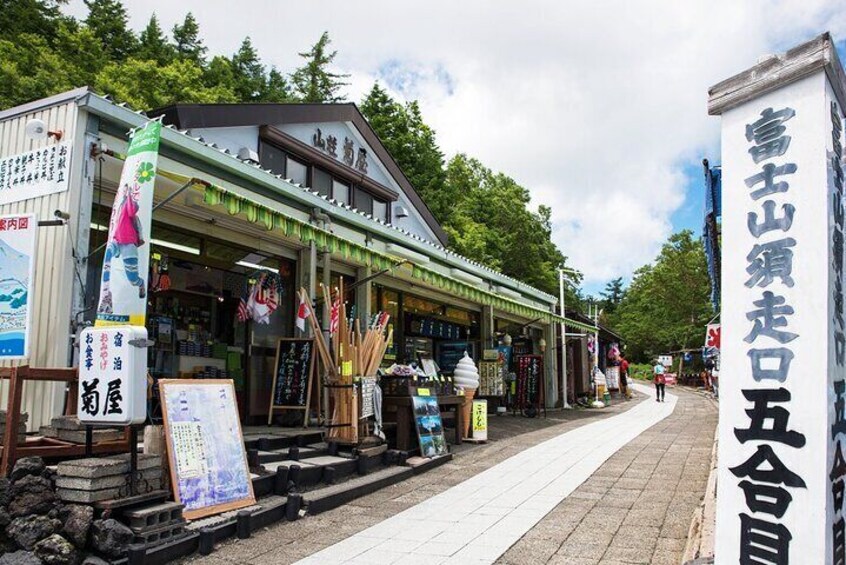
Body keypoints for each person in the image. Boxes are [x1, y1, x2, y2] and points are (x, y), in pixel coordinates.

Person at [98, 186, 146, 314]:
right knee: (107, 255)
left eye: (126, 189)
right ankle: (106, 293)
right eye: (123, 190)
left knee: (132, 278)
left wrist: (130, 196)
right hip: (117, 241)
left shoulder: (131, 204)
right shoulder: (119, 206)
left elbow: (132, 211)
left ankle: (140, 283)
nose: (124, 192)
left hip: (129, 244)